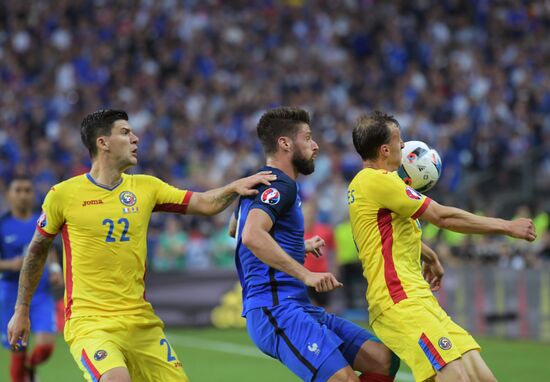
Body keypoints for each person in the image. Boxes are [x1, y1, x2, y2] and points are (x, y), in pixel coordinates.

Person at [7, 109, 276, 382]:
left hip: (141, 323)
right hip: (91, 323)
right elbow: (37, 249)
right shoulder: (62, 195)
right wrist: (21, 309)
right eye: (125, 132)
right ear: (103, 142)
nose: (135, 138)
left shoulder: (146, 187)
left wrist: (235, 187)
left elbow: (204, 203)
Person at [348, 111, 536, 382]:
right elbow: (441, 216)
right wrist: (506, 226)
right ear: (385, 149)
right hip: (398, 300)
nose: (404, 145)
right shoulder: (376, 180)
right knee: (455, 376)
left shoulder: (374, 187)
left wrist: (429, 254)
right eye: (399, 140)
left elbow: (385, 236)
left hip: (420, 298)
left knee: (481, 376)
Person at [230, 107, 399, 382]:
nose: (315, 145)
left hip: (298, 306)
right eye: (307, 138)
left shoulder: (259, 182)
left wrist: (298, 245)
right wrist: (306, 273)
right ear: (285, 143)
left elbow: (235, 228)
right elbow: (250, 235)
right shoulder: (281, 186)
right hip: (276, 310)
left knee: (383, 360)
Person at [1, 176, 63, 382]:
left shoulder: (42, 221)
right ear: (9, 195)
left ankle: (30, 368)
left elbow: (50, 250)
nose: (23, 195)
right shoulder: (2, 225)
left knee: (46, 346)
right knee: (18, 349)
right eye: (18, 190)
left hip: (41, 293)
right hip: (11, 294)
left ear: (33, 194)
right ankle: (23, 372)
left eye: (27, 190)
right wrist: (10, 264)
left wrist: (55, 268)